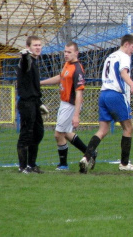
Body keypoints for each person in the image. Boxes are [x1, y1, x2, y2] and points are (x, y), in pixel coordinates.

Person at [79, 34, 133, 173]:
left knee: (102, 130)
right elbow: (123, 73)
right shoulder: (124, 56)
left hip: (103, 95)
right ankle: (124, 164)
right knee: (128, 127)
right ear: (126, 44)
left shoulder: (110, 56)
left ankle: (86, 157)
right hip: (115, 94)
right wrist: (132, 85)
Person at [40, 42, 88, 170]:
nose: (66, 54)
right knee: (66, 132)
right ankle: (90, 153)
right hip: (64, 103)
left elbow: (79, 94)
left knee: (58, 134)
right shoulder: (67, 64)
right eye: (65, 52)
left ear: (76, 53)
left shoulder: (77, 69)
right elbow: (60, 77)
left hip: (71, 105)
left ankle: (63, 164)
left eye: (69, 52)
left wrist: (76, 115)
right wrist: (41, 83)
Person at [16, 35, 45, 174]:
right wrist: (25, 56)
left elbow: (34, 85)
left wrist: (39, 103)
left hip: (34, 103)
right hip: (26, 103)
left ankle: (31, 165)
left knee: (38, 133)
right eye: (35, 45)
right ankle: (22, 167)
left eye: (39, 45)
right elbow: (25, 64)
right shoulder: (26, 61)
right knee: (26, 134)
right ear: (28, 47)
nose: (38, 47)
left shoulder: (35, 62)